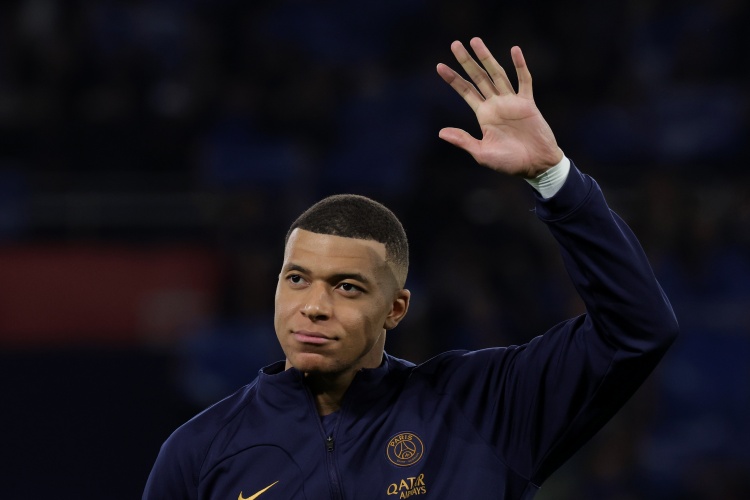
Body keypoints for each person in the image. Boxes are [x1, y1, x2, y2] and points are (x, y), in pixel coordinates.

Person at [143, 38, 678, 499]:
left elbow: (638, 329)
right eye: (297, 279)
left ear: (395, 309)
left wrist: (554, 178)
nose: (314, 307)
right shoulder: (198, 453)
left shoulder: (483, 406)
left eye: (346, 287)